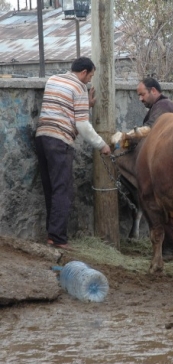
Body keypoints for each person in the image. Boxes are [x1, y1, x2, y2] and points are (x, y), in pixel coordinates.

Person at [35, 56, 111, 250]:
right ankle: (58, 238)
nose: (89, 80)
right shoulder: (78, 88)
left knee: (51, 188)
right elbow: (82, 125)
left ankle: (52, 234)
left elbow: (63, 107)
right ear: (83, 72)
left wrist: (86, 105)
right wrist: (102, 145)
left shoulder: (53, 80)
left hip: (42, 137)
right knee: (63, 190)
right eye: (90, 76)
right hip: (60, 140)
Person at [133, 77, 173, 261]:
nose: (141, 99)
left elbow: (149, 130)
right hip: (166, 162)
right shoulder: (161, 106)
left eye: (142, 94)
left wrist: (129, 136)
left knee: (153, 200)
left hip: (165, 165)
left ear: (154, 90)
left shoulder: (163, 106)